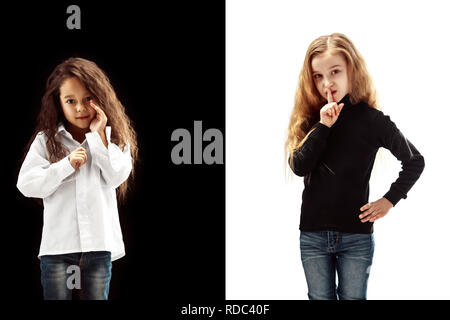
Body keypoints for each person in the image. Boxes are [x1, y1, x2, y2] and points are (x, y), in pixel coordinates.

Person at [284, 33, 425, 300]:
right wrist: (323, 126)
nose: (327, 83)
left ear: (352, 69)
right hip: (313, 235)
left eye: (335, 71)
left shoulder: (372, 121)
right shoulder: (310, 119)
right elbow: (299, 166)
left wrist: (389, 200)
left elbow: (415, 161)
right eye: (318, 76)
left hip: (356, 237)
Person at [17, 57, 138, 300]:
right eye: (70, 101)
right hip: (58, 248)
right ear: (59, 103)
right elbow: (26, 184)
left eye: (88, 99)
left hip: (98, 246)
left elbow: (115, 177)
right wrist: (65, 166)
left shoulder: (115, 141)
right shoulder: (46, 140)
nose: (80, 108)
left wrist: (97, 138)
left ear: (100, 98)